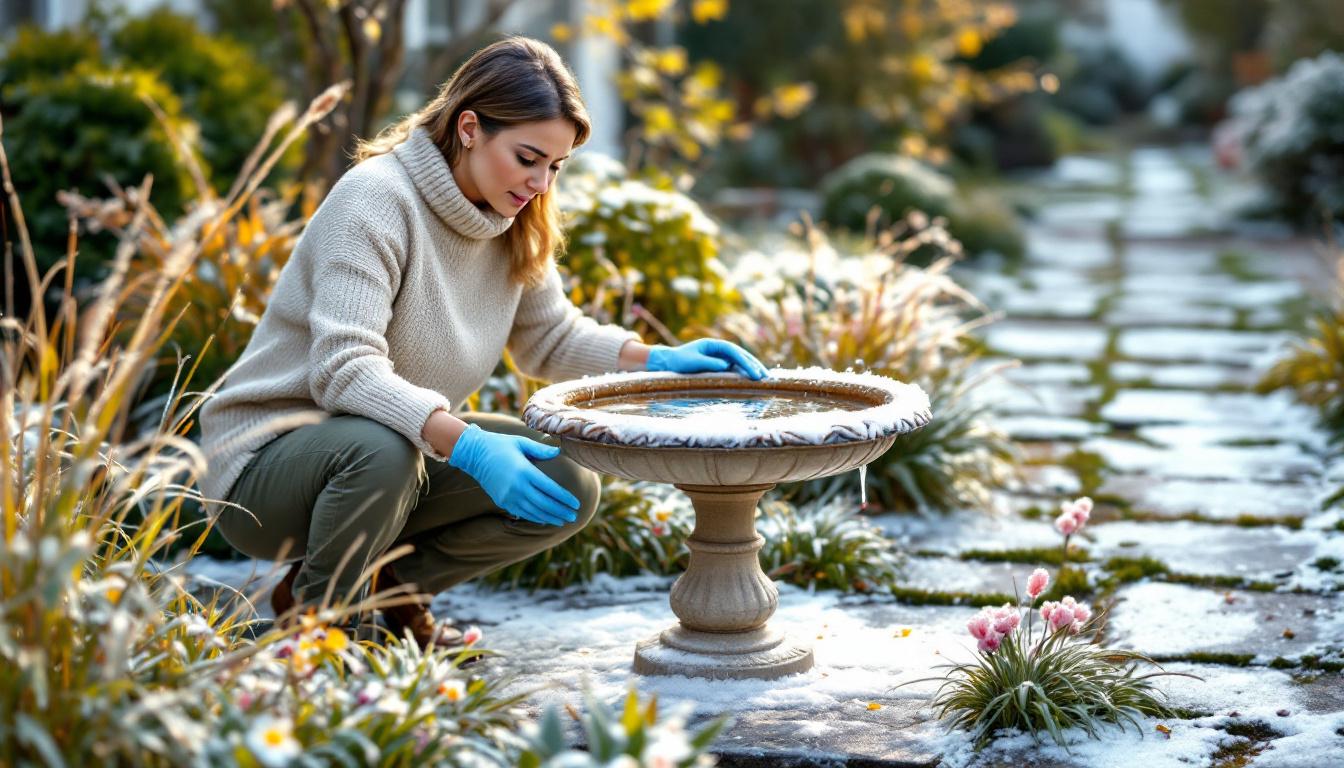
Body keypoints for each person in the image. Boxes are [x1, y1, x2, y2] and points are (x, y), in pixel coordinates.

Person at [197, 36, 768, 650]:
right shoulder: (376, 199)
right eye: (528, 158)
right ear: (469, 127)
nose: (540, 184)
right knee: (383, 448)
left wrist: (658, 361)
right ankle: (322, 633)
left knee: (567, 477)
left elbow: (548, 336)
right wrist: (470, 447)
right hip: (265, 467)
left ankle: (391, 594)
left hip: (390, 454)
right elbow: (345, 372)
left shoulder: (510, 217)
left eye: (555, 166)